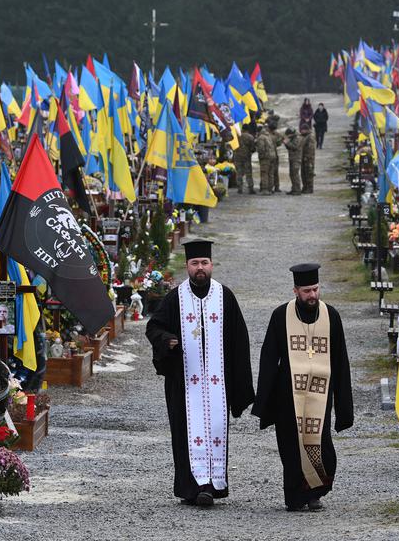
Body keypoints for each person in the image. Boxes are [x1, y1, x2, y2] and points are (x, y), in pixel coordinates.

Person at [146, 239, 254, 507]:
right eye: (195, 263)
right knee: (186, 434)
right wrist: (168, 340)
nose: (200, 268)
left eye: (204, 263)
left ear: (211, 265)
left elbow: (240, 340)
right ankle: (191, 488)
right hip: (185, 384)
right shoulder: (175, 298)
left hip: (218, 383)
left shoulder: (225, 296)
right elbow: (154, 328)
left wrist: (239, 384)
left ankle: (213, 485)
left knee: (216, 428)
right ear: (187, 267)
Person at [253, 263, 353, 511]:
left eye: (316, 289)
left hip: (321, 393)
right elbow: (268, 357)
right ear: (296, 290)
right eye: (307, 291)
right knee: (291, 446)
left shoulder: (331, 316)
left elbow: (341, 360)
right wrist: (264, 400)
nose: (312, 295)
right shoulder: (280, 316)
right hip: (289, 395)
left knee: (320, 443)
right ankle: (296, 497)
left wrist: (343, 406)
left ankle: (315, 493)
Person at [233, 123, 257, 194]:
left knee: (239, 172)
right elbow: (253, 148)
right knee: (248, 173)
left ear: (242, 129)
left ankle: (239, 188)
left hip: (237, 156)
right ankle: (250, 188)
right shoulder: (250, 137)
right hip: (246, 157)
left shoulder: (237, 136)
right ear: (248, 129)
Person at [256, 122, 278, 195]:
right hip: (272, 156)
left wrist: (261, 156)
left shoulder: (261, 137)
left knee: (264, 173)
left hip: (266, 157)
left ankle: (265, 189)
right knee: (271, 173)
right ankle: (270, 188)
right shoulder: (269, 136)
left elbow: (261, 148)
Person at [283, 128, 305, 195]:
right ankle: (294, 189)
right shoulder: (293, 138)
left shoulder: (297, 138)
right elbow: (290, 147)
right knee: (292, 174)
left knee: (295, 174)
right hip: (292, 158)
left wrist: (287, 143)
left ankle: (297, 190)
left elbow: (295, 147)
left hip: (296, 158)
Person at [299, 122, 316, 194]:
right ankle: (305, 187)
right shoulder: (304, 136)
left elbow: (311, 149)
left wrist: (307, 157)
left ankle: (309, 188)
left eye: (302, 130)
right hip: (303, 158)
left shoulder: (310, 137)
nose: (301, 131)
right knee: (303, 173)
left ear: (306, 130)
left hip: (308, 159)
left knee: (309, 173)